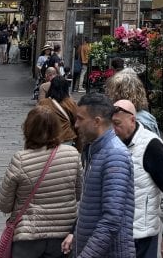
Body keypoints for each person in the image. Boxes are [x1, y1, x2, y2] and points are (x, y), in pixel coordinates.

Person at [0, 103, 82, 258]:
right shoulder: (73, 154)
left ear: (28, 128)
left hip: (28, 237)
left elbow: (4, 205)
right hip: (63, 235)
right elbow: (78, 193)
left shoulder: (21, 159)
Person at [67, 93, 136, 258]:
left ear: (96, 121)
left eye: (80, 119)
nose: (76, 125)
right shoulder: (95, 150)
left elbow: (111, 220)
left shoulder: (114, 155)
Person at [111, 99, 163, 258]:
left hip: (142, 235)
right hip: (116, 233)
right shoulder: (113, 142)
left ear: (132, 120)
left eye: (117, 124)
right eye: (112, 124)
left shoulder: (151, 145)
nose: (114, 130)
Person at [106, 70, 160, 136]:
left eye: (111, 92)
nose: (109, 95)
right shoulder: (146, 117)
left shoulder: (136, 123)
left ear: (117, 95)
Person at [39, 76, 80, 149]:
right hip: (66, 138)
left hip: (47, 138)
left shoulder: (43, 103)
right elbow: (76, 122)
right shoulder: (70, 103)